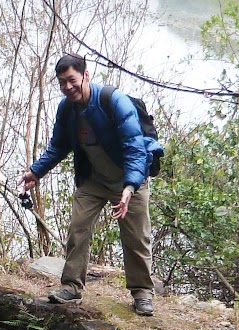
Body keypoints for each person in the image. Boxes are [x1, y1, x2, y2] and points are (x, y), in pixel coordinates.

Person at [19, 53, 156, 316]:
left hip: (129, 180)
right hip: (93, 180)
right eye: (62, 82)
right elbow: (58, 145)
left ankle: (142, 293)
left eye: (72, 80)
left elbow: (135, 147)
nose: (67, 86)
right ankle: (71, 287)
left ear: (85, 75)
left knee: (136, 238)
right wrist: (36, 172)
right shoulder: (67, 109)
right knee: (77, 230)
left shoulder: (113, 101)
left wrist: (130, 186)